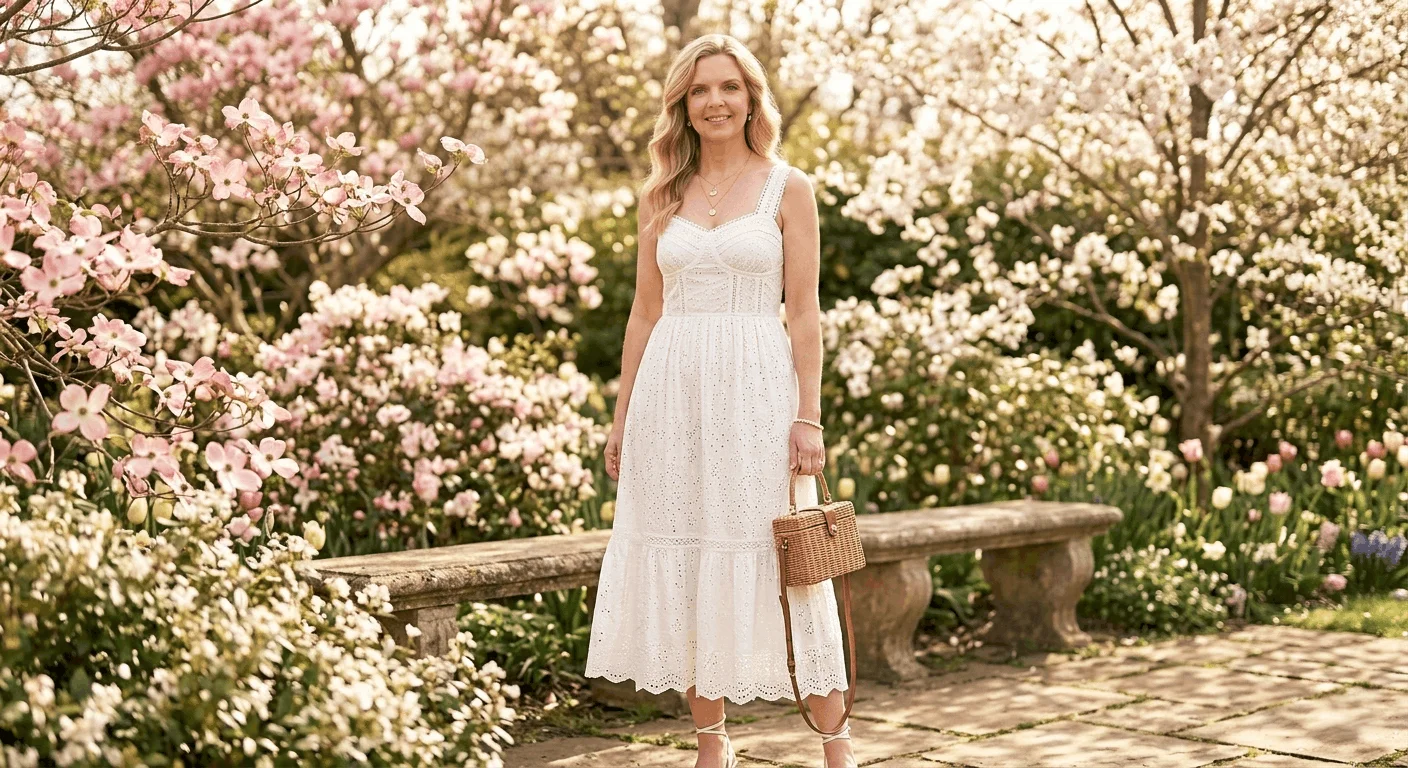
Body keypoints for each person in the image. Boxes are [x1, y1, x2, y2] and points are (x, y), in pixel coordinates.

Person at [583, 32, 857, 768]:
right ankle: (712, 745)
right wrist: (621, 417)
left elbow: (805, 312)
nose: (714, 101)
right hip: (671, 394)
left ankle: (836, 743)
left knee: (789, 558)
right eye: (700, 89)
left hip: (759, 390)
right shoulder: (659, 194)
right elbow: (644, 312)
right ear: (682, 102)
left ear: (750, 98)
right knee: (692, 553)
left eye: (728, 87)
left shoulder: (786, 187)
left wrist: (809, 416)